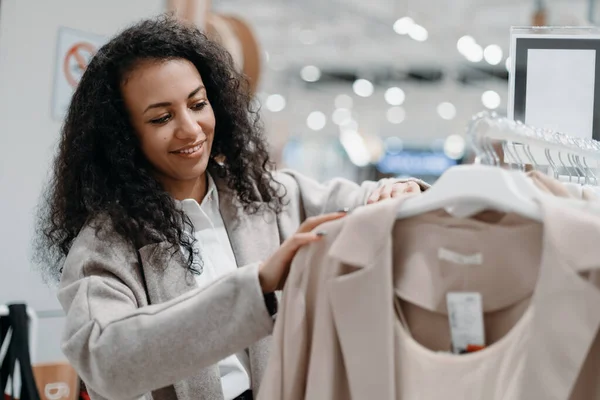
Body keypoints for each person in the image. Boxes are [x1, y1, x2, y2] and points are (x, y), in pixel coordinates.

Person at [34, 15, 425, 400]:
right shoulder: (104, 248)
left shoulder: (264, 195)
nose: (190, 128)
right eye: (162, 117)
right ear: (123, 138)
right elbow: (107, 363)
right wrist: (256, 287)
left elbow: (365, 202)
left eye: (198, 103)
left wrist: (399, 190)